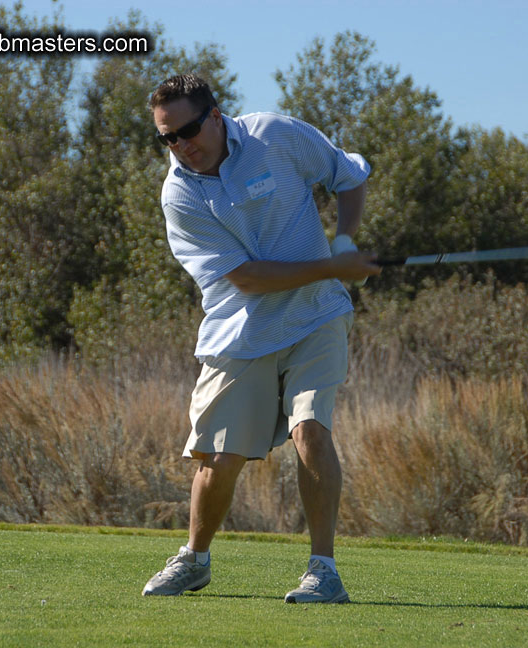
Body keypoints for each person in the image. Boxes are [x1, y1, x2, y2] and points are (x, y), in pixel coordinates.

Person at [141, 74, 380, 604]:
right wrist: (332, 266)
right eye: (167, 138)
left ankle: (323, 571)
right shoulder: (180, 194)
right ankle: (194, 560)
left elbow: (347, 175)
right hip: (241, 329)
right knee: (218, 457)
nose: (181, 145)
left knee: (310, 428)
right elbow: (246, 279)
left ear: (215, 115)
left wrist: (343, 240)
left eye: (188, 131)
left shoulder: (275, 135)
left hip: (316, 316)